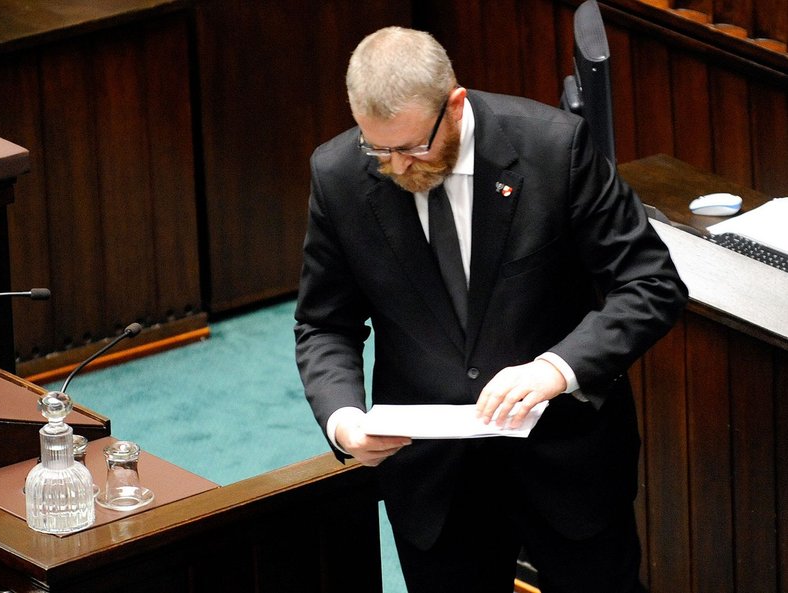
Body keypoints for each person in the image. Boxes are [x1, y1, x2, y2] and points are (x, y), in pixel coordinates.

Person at [294, 26, 687, 593]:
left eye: (412, 147)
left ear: (454, 105)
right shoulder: (337, 176)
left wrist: (556, 367)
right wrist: (343, 418)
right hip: (433, 477)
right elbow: (324, 322)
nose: (398, 167)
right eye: (378, 148)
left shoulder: (555, 148)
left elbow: (650, 283)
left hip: (564, 460)